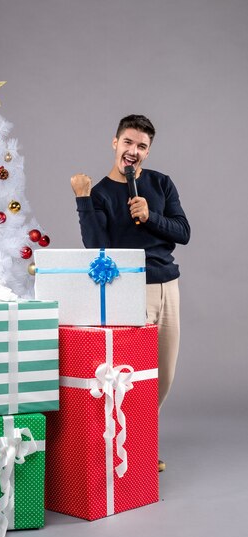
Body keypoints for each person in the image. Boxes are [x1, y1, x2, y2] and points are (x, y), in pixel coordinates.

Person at [71, 114, 191, 472]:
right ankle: (136, 450)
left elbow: (183, 232)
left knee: (163, 374)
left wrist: (150, 215)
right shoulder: (101, 194)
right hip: (129, 291)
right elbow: (98, 248)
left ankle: (136, 437)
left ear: (148, 152)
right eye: (128, 143)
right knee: (132, 375)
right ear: (115, 143)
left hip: (167, 287)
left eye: (141, 146)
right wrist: (82, 199)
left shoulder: (161, 184)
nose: (133, 151)